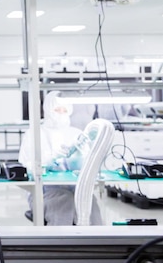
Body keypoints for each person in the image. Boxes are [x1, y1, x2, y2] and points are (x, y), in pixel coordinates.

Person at [18, 91, 103, 225]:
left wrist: (79, 158)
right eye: (57, 109)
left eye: (65, 110)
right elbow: (25, 168)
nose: (61, 113)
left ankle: (98, 243)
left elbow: (87, 165)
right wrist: (50, 160)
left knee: (90, 203)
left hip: (76, 190)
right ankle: (60, 244)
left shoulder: (76, 134)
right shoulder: (34, 134)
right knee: (64, 202)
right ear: (48, 109)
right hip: (44, 193)